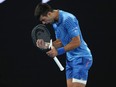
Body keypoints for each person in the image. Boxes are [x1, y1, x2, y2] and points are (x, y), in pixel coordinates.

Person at [34, 3, 93, 87]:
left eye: (44, 19)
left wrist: (58, 52)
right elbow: (60, 42)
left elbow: (77, 42)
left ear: (49, 14)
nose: (44, 23)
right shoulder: (55, 23)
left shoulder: (68, 19)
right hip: (70, 60)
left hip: (81, 58)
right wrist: (46, 45)